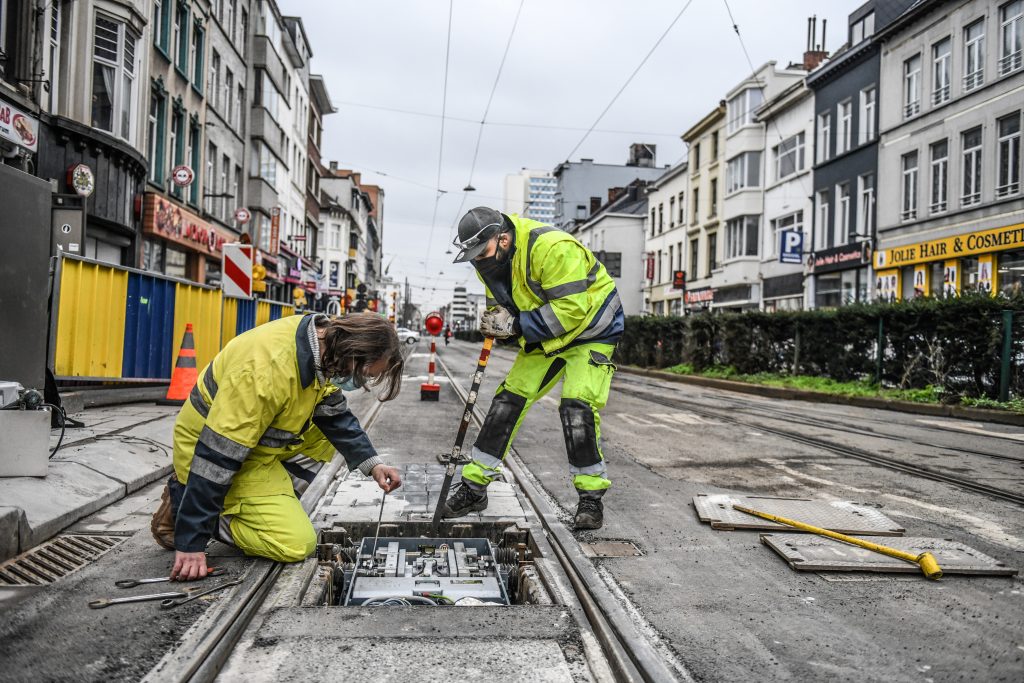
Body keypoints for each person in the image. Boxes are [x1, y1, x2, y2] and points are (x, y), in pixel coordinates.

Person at [150, 312, 404, 580]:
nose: (360, 384)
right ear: (352, 353)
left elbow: (335, 415)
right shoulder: (265, 370)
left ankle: (265, 507)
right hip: (204, 453)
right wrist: (191, 542)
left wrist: (373, 464)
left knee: (322, 436)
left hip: (252, 450)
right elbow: (217, 456)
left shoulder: (320, 348)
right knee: (297, 543)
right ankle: (184, 502)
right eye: (363, 374)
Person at [442, 207, 623, 530]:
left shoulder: (551, 247)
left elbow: (572, 309)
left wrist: (516, 325)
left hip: (591, 331)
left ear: (504, 238)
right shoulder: (488, 261)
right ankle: (474, 487)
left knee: (577, 405)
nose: (478, 261)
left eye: (481, 252)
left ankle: (590, 499)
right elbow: (499, 303)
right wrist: (497, 321)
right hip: (546, 334)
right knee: (507, 401)